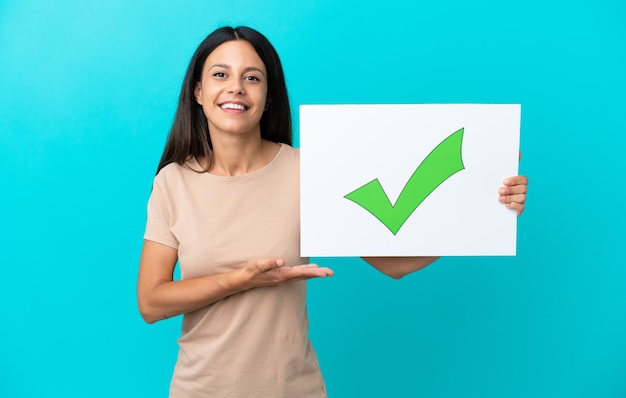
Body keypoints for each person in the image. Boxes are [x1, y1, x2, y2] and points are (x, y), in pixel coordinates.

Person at [137, 26, 528, 398]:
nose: (236, 87)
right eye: (221, 74)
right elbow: (152, 302)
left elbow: (394, 264)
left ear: (269, 96)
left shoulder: (312, 171)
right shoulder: (173, 182)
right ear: (199, 91)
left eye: (252, 77)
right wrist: (241, 280)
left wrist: (484, 207)